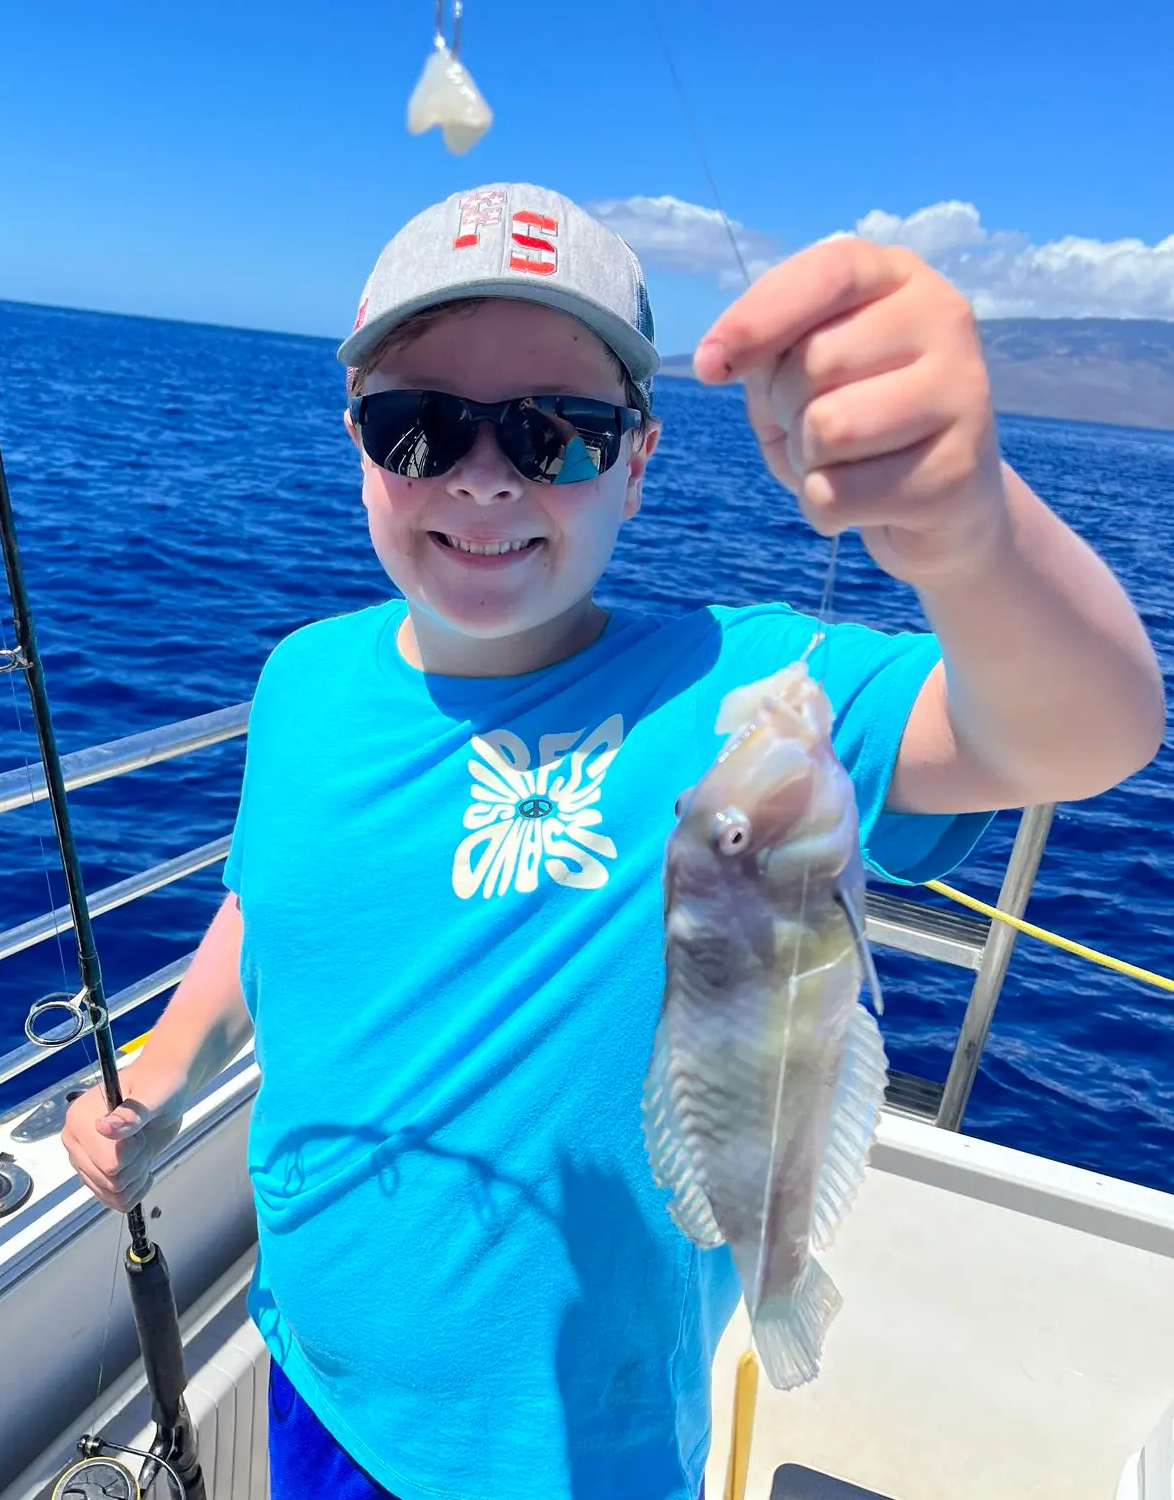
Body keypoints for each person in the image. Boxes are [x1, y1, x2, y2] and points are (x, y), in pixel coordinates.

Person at [62, 184, 1164, 1500]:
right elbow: (272, 907)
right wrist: (172, 1066)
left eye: (554, 434)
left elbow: (1082, 729)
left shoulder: (739, 693)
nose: (482, 477)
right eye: (419, 426)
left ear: (638, 463)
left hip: (577, 1458)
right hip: (312, 1362)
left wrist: (972, 524)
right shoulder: (299, 680)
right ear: (358, 443)